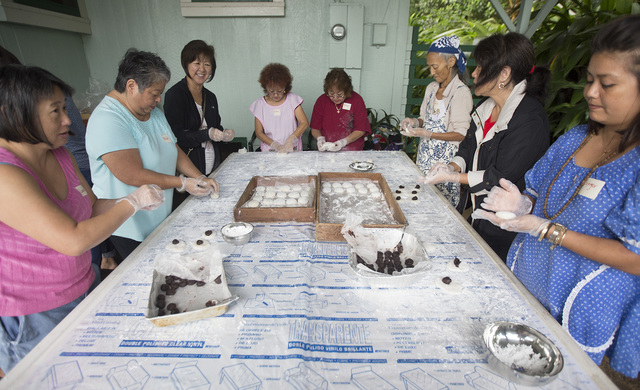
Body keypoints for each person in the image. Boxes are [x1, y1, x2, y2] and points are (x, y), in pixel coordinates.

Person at [473, 15, 640, 387]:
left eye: (608, 84)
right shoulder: (577, 137)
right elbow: (538, 190)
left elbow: (635, 256)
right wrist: (524, 206)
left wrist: (547, 229)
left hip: (581, 301)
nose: (591, 93)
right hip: (528, 280)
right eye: (590, 80)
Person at [0, 65, 164, 374]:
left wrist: (134, 201)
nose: (68, 119)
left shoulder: (59, 154)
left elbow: (90, 208)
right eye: (55, 111)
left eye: (65, 108)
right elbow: (73, 240)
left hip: (84, 287)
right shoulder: (5, 173)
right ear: (15, 113)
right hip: (37, 312)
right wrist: (130, 203)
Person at [422, 32, 550, 260]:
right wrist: (452, 166)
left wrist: (453, 179)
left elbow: (501, 175)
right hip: (479, 214)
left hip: (506, 227)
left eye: (480, 67)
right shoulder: (485, 107)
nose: (474, 73)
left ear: (504, 74)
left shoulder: (529, 119)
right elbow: (468, 147)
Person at [86, 49, 219, 260]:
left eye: (160, 93)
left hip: (159, 217)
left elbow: (172, 149)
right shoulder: (108, 119)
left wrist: (198, 177)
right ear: (131, 86)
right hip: (130, 225)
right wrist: (181, 183)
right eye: (154, 93)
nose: (158, 99)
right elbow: (132, 175)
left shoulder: (152, 112)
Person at [400, 35, 473, 206]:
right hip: (425, 158)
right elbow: (424, 119)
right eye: (430, 67)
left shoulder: (461, 93)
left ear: (451, 62)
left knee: (440, 206)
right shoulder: (432, 88)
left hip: (445, 164)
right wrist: (414, 122)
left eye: (435, 67)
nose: (432, 72)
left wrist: (427, 134)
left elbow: (461, 134)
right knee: (421, 200)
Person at [164, 40, 235, 176]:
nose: (202, 69)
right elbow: (176, 136)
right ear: (186, 64)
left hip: (212, 164)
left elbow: (215, 127)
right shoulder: (175, 95)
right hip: (189, 168)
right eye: (197, 63)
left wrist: (224, 134)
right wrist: (207, 134)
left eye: (207, 64)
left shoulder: (210, 97)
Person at [250, 63, 309, 153]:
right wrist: (275, 145)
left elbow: (304, 123)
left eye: (280, 91)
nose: (276, 95)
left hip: (292, 148)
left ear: (286, 87)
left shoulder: (293, 100)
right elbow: (259, 132)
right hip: (270, 149)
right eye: (271, 91)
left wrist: (291, 139)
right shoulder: (259, 104)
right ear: (265, 88)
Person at [310, 68, 371, 151]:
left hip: (351, 149)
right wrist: (320, 139)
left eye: (340, 94)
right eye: (331, 94)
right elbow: (315, 128)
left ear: (347, 91)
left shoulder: (357, 100)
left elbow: (361, 129)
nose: (335, 98)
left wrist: (343, 142)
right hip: (327, 148)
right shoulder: (322, 100)